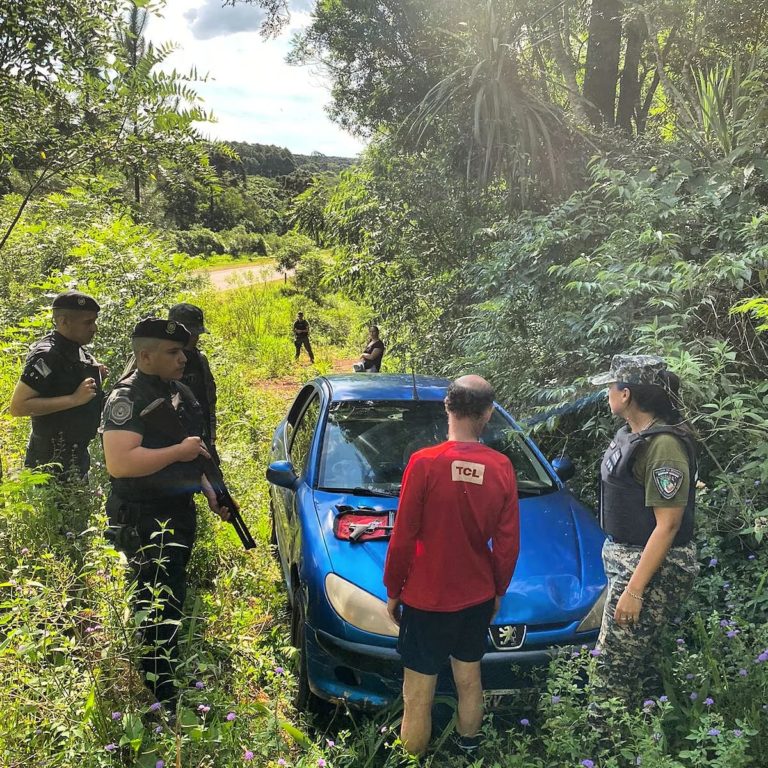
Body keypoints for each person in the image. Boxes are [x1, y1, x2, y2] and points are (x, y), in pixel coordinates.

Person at [383, 375, 520, 756]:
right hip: (476, 595)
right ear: (488, 414)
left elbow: (404, 536)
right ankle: (469, 752)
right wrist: (497, 589)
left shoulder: (424, 463)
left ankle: (413, 760)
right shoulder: (502, 467)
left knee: (417, 695)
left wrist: (394, 589)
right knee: (470, 680)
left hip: (427, 598)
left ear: (447, 407)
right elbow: (508, 543)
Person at [101, 317, 229, 707]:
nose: (182, 358)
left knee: (171, 591)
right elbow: (120, 463)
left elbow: (196, 452)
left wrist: (212, 491)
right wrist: (179, 452)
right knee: (153, 598)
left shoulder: (179, 393)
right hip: (142, 515)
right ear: (145, 355)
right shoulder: (127, 397)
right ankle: (161, 691)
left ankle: (167, 672)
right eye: (173, 352)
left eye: (183, 351)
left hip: (176, 512)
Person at [588, 354, 699, 707]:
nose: (606, 392)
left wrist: (634, 590)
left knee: (609, 674)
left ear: (626, 395)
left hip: (649, 568)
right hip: (627, 559)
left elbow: (668, 525)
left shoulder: (664, 447)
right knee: (626, 667)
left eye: (611, 386)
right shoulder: (633, 435)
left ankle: (604, 754)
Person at [9, 290, 105, 479]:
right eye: (88, 322)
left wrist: (97, 376)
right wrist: (73, 399)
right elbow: (18, 407)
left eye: (94, 321)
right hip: (49, 461)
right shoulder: (48, 355)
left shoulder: (76, 349)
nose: (94, 328)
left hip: (76, 455)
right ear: (63, 322)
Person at [168, 303, 220, 464]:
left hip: (200, 437)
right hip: (169, 446)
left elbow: (209, 399)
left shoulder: (199, 359)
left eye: (197, 334)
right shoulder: (155, 359)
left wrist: (211, 437)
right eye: (191, 334)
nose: (195, 338)